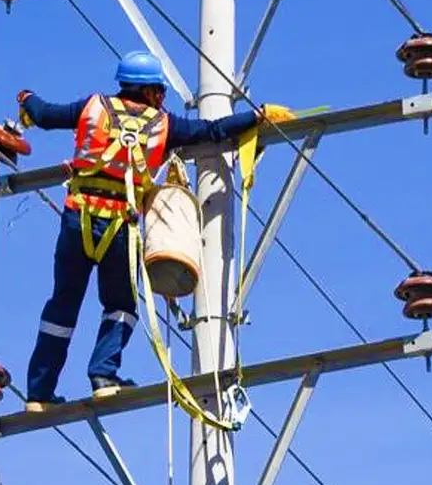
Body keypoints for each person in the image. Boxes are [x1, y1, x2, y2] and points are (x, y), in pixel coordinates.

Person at [17, 51, 270, 412]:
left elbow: (45, 115)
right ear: (151, 91)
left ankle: (39, 393)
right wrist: (255, 116)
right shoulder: (164, 125)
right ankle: (103, 377)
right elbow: (212, 131)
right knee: (120, 304)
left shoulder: (93, 107)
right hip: (120, 225)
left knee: (62, 304)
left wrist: (28, 100)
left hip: (78, 219)